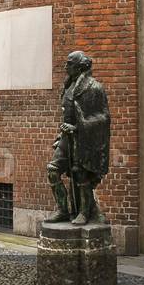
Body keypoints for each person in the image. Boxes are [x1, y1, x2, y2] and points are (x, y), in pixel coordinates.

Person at [46, 51, 110, 225]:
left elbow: (103, 117)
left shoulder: (94, 87)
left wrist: (79, 127)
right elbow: (68, 114)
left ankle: (84, 212)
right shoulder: (68, 86)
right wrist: (63, 133)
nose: (66, 67)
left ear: (80, 67)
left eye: (69, 64)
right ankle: (63, 210)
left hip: (84, 139)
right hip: (67, 138)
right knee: (53, 170)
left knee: (81, 174)